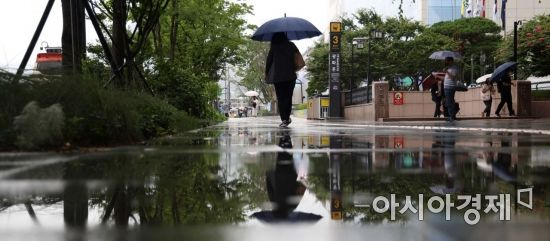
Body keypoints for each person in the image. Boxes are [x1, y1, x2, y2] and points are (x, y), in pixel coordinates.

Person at [265, 32, 305, 127]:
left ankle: (284, 119)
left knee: (281, 98)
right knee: (288, 97)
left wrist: (267, 75)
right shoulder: (291, 45)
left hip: (278, 77)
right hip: (290, 76)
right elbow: (298, 58)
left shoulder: (274, 47)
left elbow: (269, 62)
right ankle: (287, 117)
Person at [442, 57, 460, 122]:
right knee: (449, 101)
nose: (446, 62)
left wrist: (446, 71)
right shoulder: (449, 68)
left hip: (450, 86)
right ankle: (452, 116)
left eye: (447, 61)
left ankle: (452, 116)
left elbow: (452, 77)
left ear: (451, 61)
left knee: (450, 102)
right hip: (447, 86)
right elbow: (447, 77)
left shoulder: (454, 68)